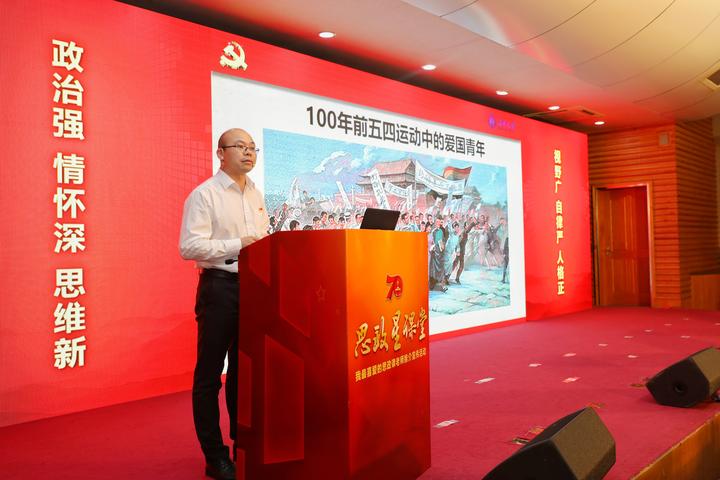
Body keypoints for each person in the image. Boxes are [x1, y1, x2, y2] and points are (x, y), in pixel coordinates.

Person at [179, 128, 269, 480]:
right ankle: (214, 456)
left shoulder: (256, 193)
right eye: (240, 147)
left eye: (252, 148)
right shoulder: (205, 195)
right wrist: (238, 244)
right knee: (210, 375)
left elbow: (261, 240)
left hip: (254, 288)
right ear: (220, 153)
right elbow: (189, 246)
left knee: (244, 374)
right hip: (219, 288)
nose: (248, 153)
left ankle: (241, 444)